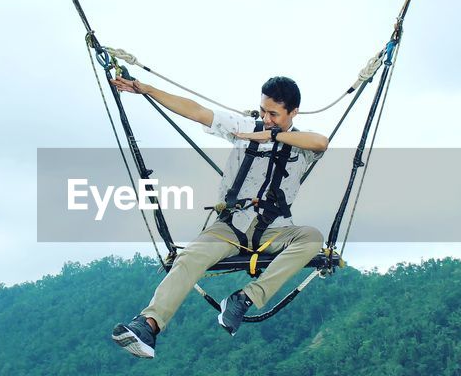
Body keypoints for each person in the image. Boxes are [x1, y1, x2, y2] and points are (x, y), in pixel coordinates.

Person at [107, 75, 329, 358]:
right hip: (231, 227)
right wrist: (147, 89)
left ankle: (244, 298)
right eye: (263, 111)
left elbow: (321, 142)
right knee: (189, 257)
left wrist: (272, 135)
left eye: (273, 113)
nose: (266, 118)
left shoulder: (301, 145)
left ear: (293, 112)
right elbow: (198, 112)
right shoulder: (245, 129)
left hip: (273, 229)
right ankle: (148, 325)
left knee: (312, 238)